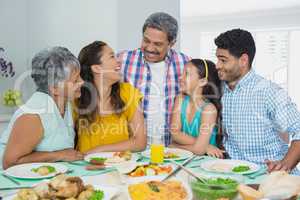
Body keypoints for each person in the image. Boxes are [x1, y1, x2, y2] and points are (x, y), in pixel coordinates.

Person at [215, 28, 300, 173]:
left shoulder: (269, 92)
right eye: (217, 59)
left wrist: (285, 166)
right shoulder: (218, 89)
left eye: (223, 60)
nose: (217, 65)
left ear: (243, 60)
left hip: (269, 174)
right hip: (234, 174)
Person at [0, 47, 84, 169]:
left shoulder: (67, 104)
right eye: (75, 80)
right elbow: (10, 162)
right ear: (54, 88)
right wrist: (59, 155)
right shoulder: (33, 116)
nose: (82, 82)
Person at [118, 12, 190, 146]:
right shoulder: (122, 60)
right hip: (132, 150)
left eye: (158, 44)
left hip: (172, 151)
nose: (150, 48)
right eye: (146, 40)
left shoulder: (185, 64)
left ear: (171, 43)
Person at [74, 41, 146, 154]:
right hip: (85, 168)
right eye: (112, 57)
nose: (119, 61)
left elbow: (140, 142)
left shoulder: (127, 92)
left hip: (120, 166)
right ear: (97, 68)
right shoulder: (76, 97)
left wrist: (99, 150)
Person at [170, 59, 224, 158]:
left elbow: (199, 150)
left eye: (186, 74)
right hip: (184, 160)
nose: (180, 77)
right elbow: (175, 133)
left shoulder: (208, 109)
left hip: (206, 162)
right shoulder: (180, 99)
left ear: (202, 81)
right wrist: (205, 146)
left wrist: (175, 146)